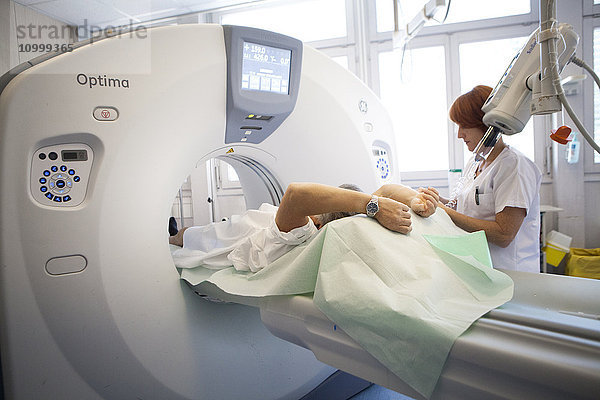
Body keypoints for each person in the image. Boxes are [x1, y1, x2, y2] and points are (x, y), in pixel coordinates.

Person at [170, 182, 438, 272]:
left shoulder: (303, 234)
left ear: (318, 220)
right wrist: (415, 200)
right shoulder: (347, 223)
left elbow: (296, 194)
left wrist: (376, 206)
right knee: (184, 234)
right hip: (230, 228)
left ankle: (171, 236)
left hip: (212, 238)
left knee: (182, 237)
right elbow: (386, 189)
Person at [421, 85, 542, 273]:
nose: (459, 135)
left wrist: (443, 211)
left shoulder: (514, 166)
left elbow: (504, 234)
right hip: (480, 268)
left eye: (464, 126)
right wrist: (438, 201)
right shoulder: (476, 161)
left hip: (511, 274)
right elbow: (466, 207)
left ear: (485, 123)